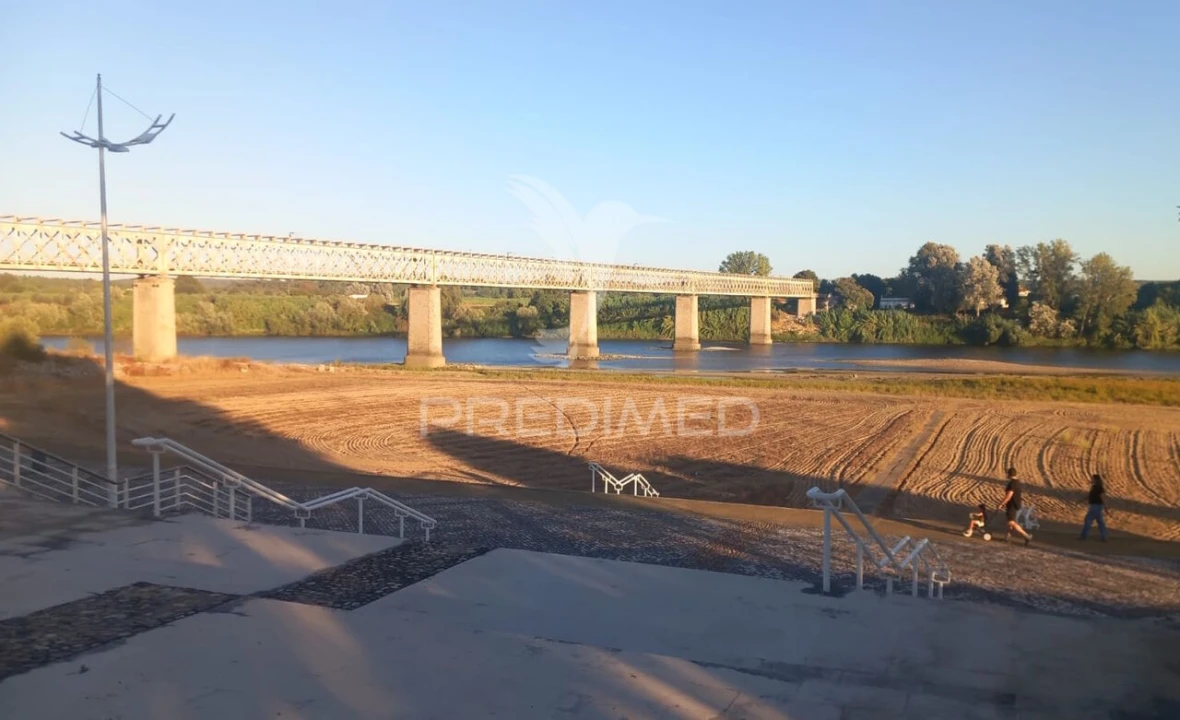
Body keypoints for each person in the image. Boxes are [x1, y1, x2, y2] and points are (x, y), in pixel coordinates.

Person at [999, 467, 1032, 546]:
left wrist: (1001, 503)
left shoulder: (1012, 483)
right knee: (1010, 522)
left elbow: (1009, 496)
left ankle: (1026, 536)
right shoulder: (1017, 482)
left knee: (1011, 522)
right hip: (1016, 504)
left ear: (1009, 475)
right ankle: (1007, 538)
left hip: (1012, 505)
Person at [1080, 474, 1107, 542]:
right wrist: (1081, 500)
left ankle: (1083, 536)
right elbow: (1090, 496)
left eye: (1093, 479)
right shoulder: (1095, 487)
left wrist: (1105, 507)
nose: (1092, 480)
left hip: (1095, 506)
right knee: (1100, 522)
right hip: (1096, 506)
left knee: (1088, 520)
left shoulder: (1098, 487)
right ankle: (1104, 537)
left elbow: (1102, 497)